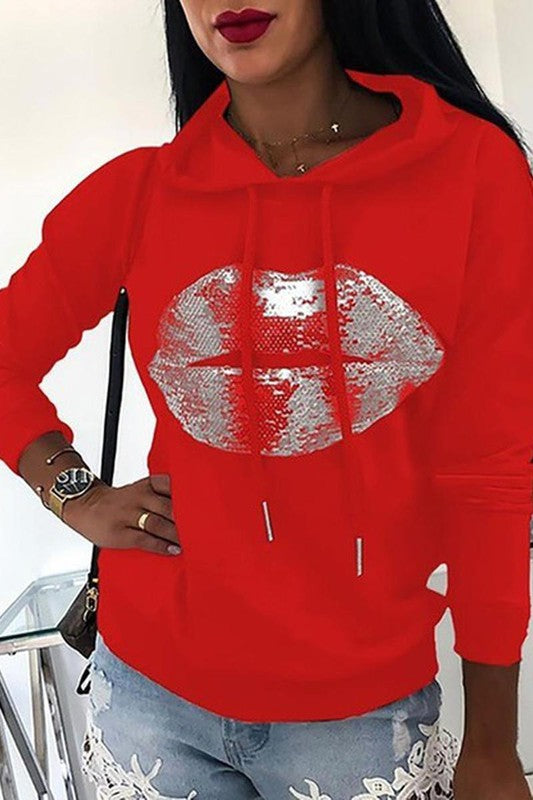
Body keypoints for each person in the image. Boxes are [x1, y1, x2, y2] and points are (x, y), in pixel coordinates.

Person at [1, 1, 532, 797]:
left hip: (355, 717)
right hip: (147, 697)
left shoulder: (467, 173)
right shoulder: (143, 191)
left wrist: (493, 740)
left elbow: (489, 470)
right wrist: (75, 494)